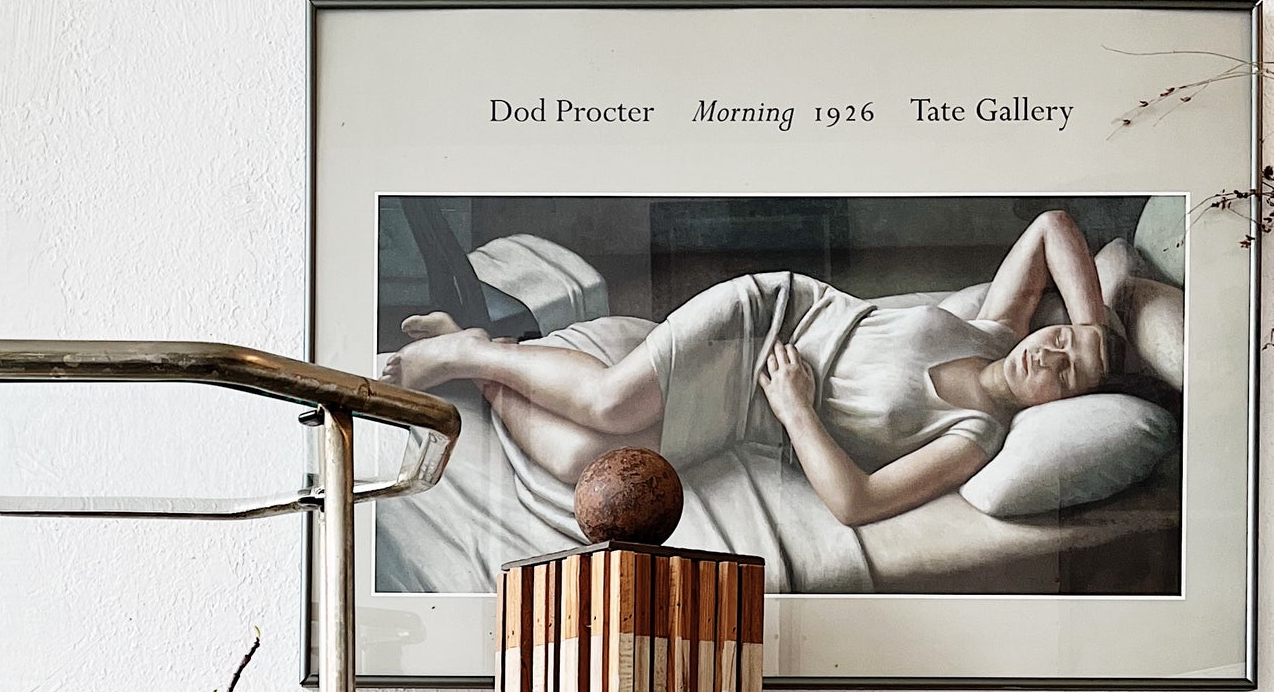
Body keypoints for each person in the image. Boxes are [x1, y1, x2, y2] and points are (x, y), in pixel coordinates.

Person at [381, 209, 1124, 530]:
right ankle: (462, 354)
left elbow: (857, 502)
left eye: (1063, 374)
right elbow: (1053, 227)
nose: (1049, 352)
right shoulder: (997, 328)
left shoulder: (976, 433)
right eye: (1061, 338)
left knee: (586, 461)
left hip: (762, 408)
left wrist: (797, 409)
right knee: (610, 403)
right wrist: (1094, 328)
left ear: (1050, 409)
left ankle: (481, 361)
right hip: (771, 317)